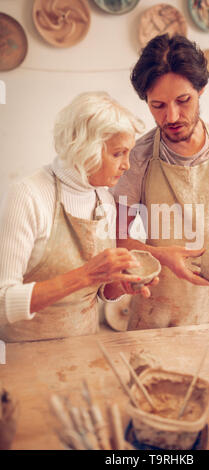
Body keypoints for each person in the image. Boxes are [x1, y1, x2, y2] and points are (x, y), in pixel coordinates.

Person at [112, 34, 209, 330]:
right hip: (158, 305)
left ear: (201, 90)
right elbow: (117, 238)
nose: (171, 116)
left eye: (183, 100)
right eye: (157, 105)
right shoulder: (138, 156)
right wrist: (161, 255)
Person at [0, 91, 158, 342]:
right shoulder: (28, 196)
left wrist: (119, 285)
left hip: (84, 349)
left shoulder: (104, 199)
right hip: (26, 355)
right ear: (86, 149)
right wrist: (85, 274)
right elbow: (2, 302)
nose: (127, 165)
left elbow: (99, 292)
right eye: (118, 153)